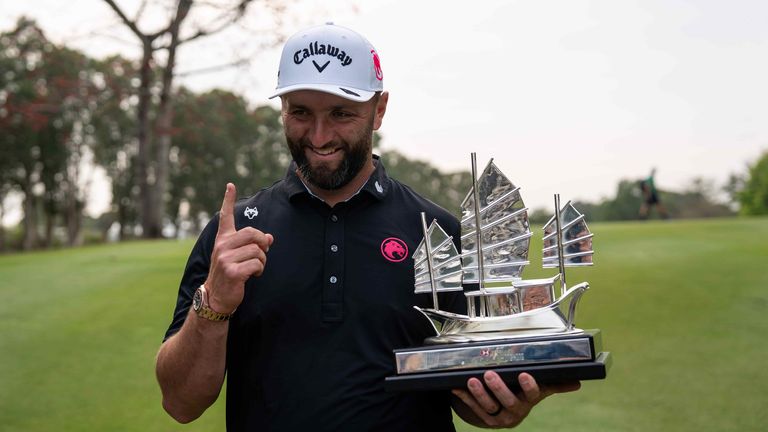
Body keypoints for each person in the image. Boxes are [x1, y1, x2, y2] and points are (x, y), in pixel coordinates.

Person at [156, 23, 579, 431]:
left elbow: (467, 390)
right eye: (300, 112)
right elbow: (180, 402)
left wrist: (501, 404)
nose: (319, 136)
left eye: (341, 113)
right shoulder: (232, 238)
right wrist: (214, 305)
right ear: (283, 110)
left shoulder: (437, 230)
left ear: (379, 110)